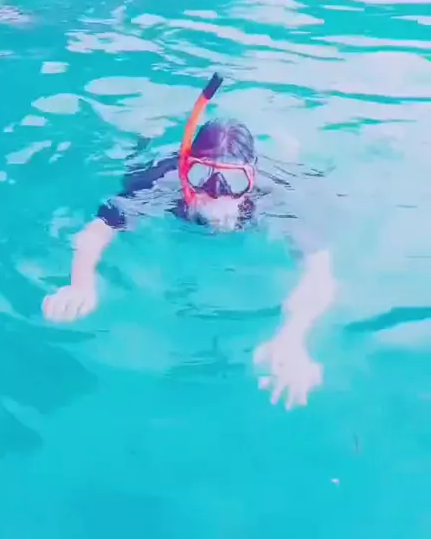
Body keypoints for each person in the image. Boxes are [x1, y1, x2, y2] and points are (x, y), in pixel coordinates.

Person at [43, 73, 337, 409]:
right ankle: (146, 133)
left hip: (279, 175)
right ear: (186, 173)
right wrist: (80, 285)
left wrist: (293, 337)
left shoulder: (277, 197)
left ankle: (289, 150)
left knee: (297, 173)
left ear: (251, 181)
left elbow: (320, 274)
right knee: (133, 169)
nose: (215, 194)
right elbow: (96, 232)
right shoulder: (164, 185)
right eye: (202, 176)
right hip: (159, 169)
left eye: (233, 182)